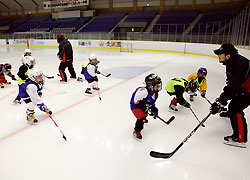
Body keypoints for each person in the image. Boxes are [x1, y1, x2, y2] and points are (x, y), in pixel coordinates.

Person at [210, 43, 250, 148]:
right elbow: (231, 84)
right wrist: (222, 101)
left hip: (248, 90)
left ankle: (240, 138)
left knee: (235, 107)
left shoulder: (239, 66)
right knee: (232, 105)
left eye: (220, 54)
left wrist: (220, 102)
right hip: (243, 87)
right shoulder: (231, 62)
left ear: (228, 55)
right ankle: (231, 113)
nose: (218, 55)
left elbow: (233, 87)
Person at [130, 73, 162, 140]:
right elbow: (135, 101)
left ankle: (143, 118)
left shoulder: (155, 94)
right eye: (157, 85)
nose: (158, 86)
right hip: (135, 106)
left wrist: (154, 109)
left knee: (145, 112)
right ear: (151, 86)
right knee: (142, 117)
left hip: (144, 103)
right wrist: (143, 106)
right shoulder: (143, 91)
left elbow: (151, 103)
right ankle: (136, 131)